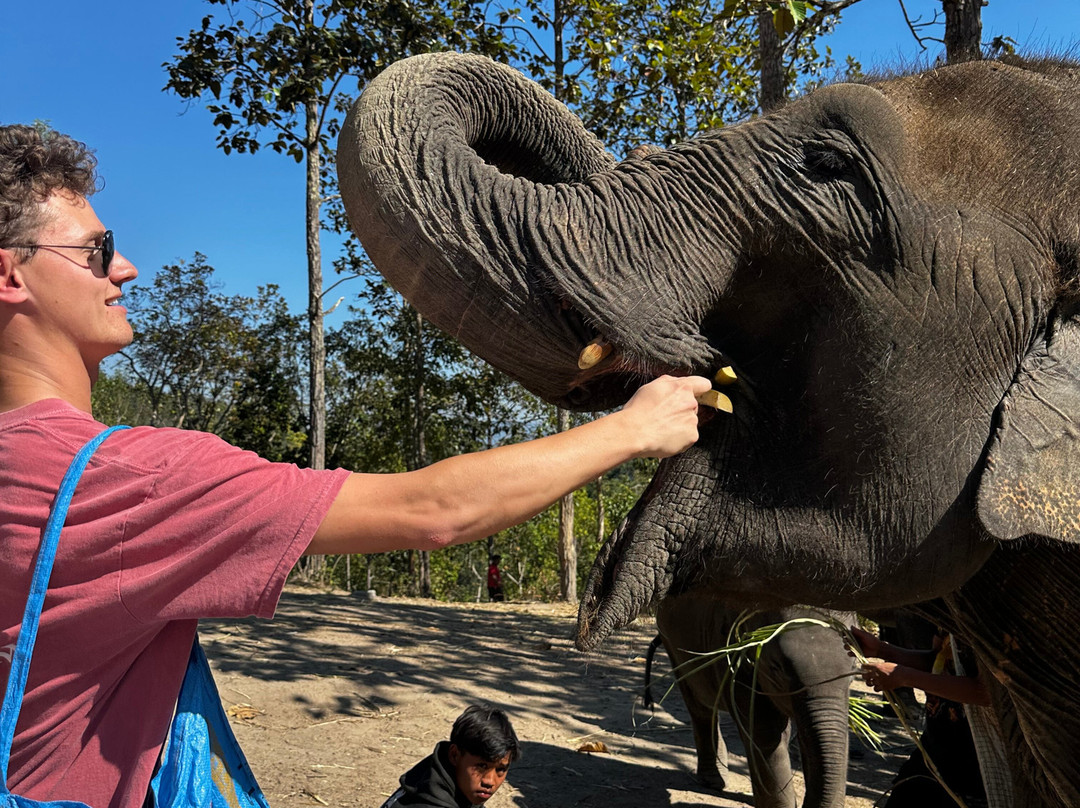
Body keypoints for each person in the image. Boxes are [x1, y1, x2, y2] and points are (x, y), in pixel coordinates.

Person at [0, 123, 711, 806]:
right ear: (11, 276)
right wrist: (637, 427)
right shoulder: (121, 481)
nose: (124, 267)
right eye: (97, 250)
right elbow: (434, 511)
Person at [848, 624, 990, 808]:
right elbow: (938, 660)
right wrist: (881, 649)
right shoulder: (948, 612)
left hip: (977, 762)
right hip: (934, 749)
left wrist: (905, 677)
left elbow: (986, 692)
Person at [380, 704, 518, 808]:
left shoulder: (435, 775)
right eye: (481, 766)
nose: (490, 781)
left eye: (500, 770)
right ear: (454, 755)